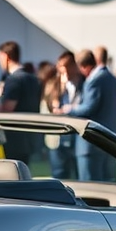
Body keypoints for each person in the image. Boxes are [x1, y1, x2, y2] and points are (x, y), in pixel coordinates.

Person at [62, 48, 116, 181]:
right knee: (110, 185)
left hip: (91, 143)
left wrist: (68, 109)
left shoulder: (94, 81)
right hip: (111, 140)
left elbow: (88, 108)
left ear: (83, 67)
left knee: (90, 187)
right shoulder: (114, 79)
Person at [0, 41, 41, 165]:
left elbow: (7, 109)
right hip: (31, 135)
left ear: (6, 56)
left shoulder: (13, 80)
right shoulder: (33, 79)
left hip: (14, 137)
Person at [47, 51, 81, 179]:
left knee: (78, 177)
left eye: (66, 67)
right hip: (57, 139)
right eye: (61, 68)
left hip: (75, 137)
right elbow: (49, 106)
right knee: (59, 176)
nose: (64, 71)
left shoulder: (82, 84)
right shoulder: (54, 85)